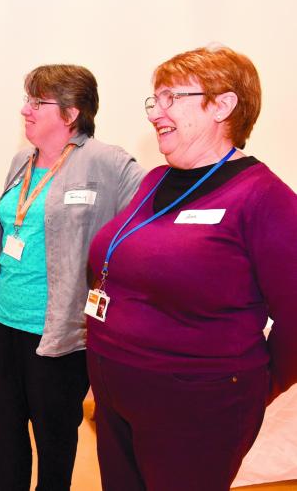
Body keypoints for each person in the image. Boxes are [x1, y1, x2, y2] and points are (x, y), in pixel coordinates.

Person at [86, 45, 297, 491]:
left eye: (171, 98)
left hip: (196, 404)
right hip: (115, 386)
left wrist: (257, 386)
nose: (154, 113)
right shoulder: (155, 180)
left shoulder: (265, 198)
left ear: (223, 105)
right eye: (155, 99)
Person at [0, 64, 145, 491]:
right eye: (27, 99)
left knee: (54, 445)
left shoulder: (107, 163)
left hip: (58, 338)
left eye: (37, 102)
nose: (25, 110)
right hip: (2, 325)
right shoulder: (22, 160)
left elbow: (147, 227)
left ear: (71, 113)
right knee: (3, 438)